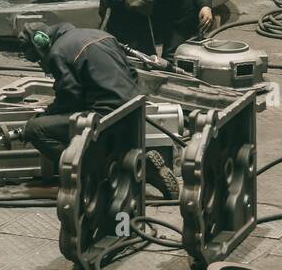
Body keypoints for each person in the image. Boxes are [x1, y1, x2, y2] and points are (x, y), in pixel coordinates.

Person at [16, 22, 177, 196]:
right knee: (97, 124)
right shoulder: (102, 35)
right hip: (134, 109)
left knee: (35, 130)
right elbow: (132, 73)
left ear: (41, 43)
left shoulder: (57, 52)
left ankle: (93, 174)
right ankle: (140, 165)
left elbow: (69, 97)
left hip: (105, 118)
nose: (41, 63)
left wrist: (45, 115)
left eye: (38, 59)